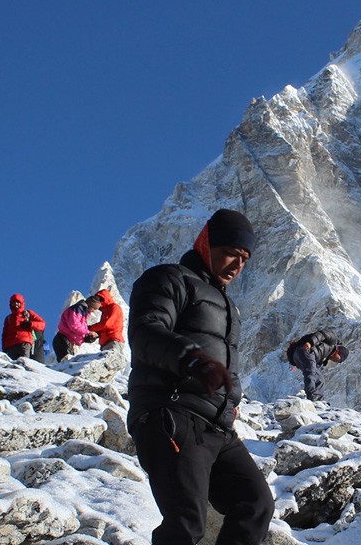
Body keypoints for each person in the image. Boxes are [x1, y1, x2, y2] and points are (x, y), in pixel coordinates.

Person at [127, 208, 271, 544]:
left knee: (255, 504)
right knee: (185, 522)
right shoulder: (168, 279)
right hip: (171, 413)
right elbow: (145, 333)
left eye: (245, 258)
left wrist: (229, 404)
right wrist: (192, 360)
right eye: (230, 253)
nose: (237, 265)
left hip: (217, 428)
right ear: (206, 243)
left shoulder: (229, 308)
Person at [287, 329, 347, 402]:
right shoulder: (333, 341)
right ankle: (311, 395)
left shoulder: (324, 357)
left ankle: (317, 398)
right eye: (339, 359)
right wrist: (310, 342)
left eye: (339, 362)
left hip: (300, 357)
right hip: (305, 350)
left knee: (320, 379)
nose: (337, 361)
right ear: (338, 352)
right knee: (311, 371)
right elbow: (321, 334)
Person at [53, 293, 99, 363]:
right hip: (63, 340)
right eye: (94, 308)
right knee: (67, 365)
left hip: (68, 342)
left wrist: (85, 338)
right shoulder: (77, 309)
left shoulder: (83, 314)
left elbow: (76, 332)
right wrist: (88, 332)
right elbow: (74, 326)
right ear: (90, 304)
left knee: (67, 365)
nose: (93, 311)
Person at [0, 294, 46, 361]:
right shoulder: (8, 318)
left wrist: (30, 324)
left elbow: (42, 324)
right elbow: (4, 335)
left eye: (17, 302)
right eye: (13, 302)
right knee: (12, 367)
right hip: (11, 347)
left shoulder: (28, 313)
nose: (15, 304)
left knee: (24, 363)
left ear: (21, 303)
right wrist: (4, 348)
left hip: (24, 344)